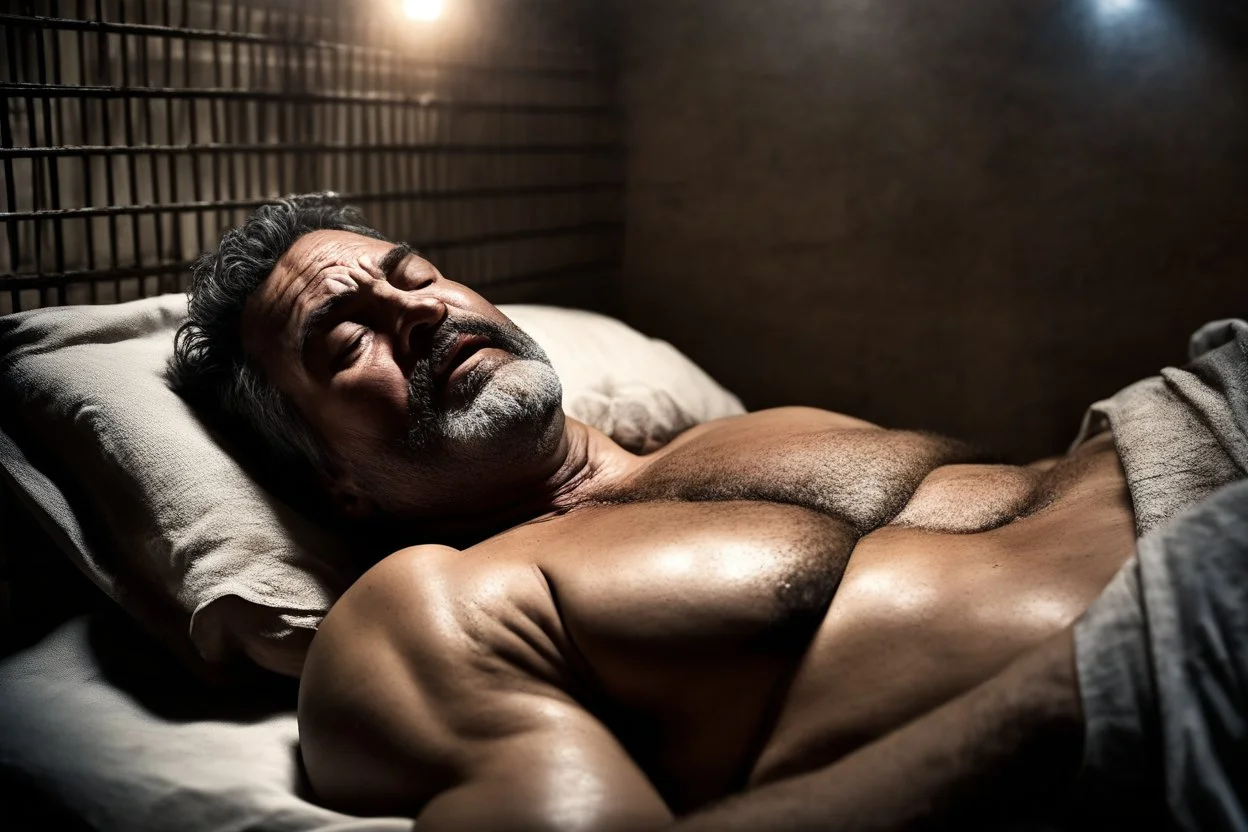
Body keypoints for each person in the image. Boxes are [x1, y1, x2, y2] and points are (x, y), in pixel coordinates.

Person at [171, 194, 1146, 830]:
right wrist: (1106, 672)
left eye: (413, 274)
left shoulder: (753, 429)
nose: (415, 310)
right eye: (346, 336)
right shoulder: (427, 613)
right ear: (329, 477)